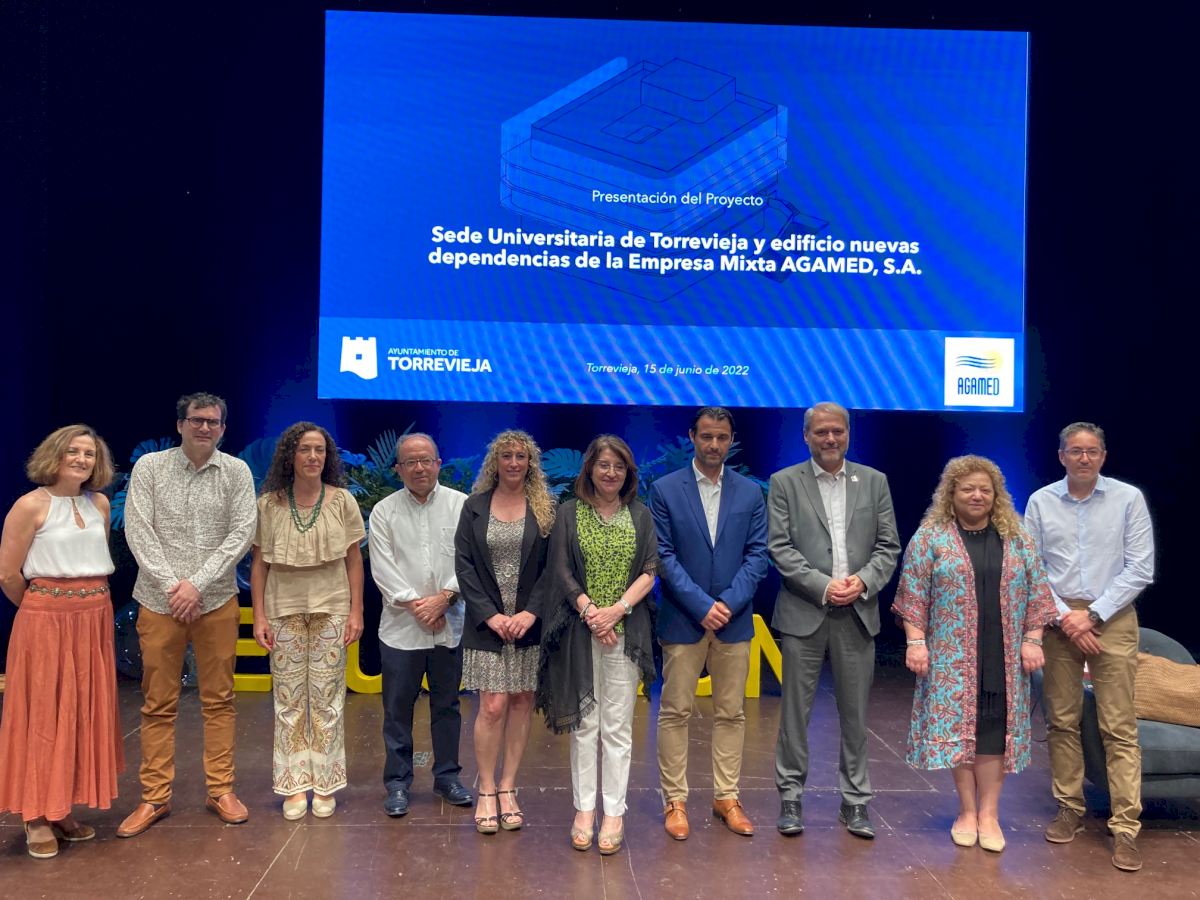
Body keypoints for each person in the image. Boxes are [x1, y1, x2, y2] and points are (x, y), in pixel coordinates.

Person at [893, 455, 1057, 852]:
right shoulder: (930, 538)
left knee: (994, 731)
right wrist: (916, 643)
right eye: (968, 489)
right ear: (951, 493)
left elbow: (1038, 593)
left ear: (996, 495)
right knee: (960, 732)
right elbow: (913, 594)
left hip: (1004, 655)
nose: (977, 496)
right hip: (952, 657)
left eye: (985, 489)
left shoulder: (1017, 539)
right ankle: (967, 811)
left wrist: (1033, 639)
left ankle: (990, 814)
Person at [118, 392, 257, 837]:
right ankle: (154, 797)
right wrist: (173, 586)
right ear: (180, 424)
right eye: (196, 420)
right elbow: (138, 531)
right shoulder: (151, 468)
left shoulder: (236, 471)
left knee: (220, 700)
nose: (204, 428)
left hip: (215, 601)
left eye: (213, 422)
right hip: (159, 602)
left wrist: (196, 584)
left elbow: (242, 532)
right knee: (158, 703)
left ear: (223, 429)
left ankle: (221, 790)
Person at [1024, 422, 1154, 872]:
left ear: (1103, 456)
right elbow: (1032, 567)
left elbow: (1140, 567)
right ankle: (1069, 808)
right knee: (1062, 721)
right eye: (1075, 451)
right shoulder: (1041, 501)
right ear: (1061, 456)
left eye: (1092, 451)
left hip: (1112, 617)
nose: (1084, 458)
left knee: (1118, 725)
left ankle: (1125, 827)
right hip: (1059, 620)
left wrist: (1093, 615)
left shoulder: (1128, 499)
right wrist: (1067, 617)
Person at [767, 401, 900, 838]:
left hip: (857, 613)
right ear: (806, 436)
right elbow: (780, 548)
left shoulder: (874, 481)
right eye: (821, 431)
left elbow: (888, 547)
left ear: (848, 434)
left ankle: (855, 802)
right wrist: (824, 585)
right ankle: (790, 797)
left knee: (855, 715)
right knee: (794, 714)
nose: (830, 438)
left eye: (837, 431)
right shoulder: (784, 482)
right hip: (804, 612)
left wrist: (862, 582)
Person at [0, 425, 123, 858]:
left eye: (89, 453)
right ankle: (35, 814)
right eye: (73, 451)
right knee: (44, 714)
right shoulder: (30, 505)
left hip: (93, 619)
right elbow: (8, 575)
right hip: (46, 621)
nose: (81, 459)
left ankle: (60, 807)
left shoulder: (99, 504)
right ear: (55, 454)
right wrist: (43, 609)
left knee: (80, 712)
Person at [648, 407, 769, 839]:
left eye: (721, 437)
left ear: (731, 440)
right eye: (706, 436)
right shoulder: (665, 489)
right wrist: (702, 605)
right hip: (684, 618)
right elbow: (663, 556)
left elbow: (758, 555)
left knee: (731, 713)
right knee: (675, 712)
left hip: (734, 621)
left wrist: (728, 603)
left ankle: (726, 798)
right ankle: (675, 801)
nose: (714, 444)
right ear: (692, 437)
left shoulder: (750, 493)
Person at [536, 435, 657, 856]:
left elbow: (650, 570)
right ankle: (584, 810)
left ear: (628, 473)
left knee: (618, 729)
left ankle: (614, 813)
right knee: (585, 726)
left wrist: (617, 611)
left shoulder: (640, 515)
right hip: (580, 630)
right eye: (604, 464)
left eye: (619, 466)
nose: (611, 472)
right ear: (590, 468)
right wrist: (592, 613)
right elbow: (561, 570)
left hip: (626, 631)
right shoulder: (570, 513)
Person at [250, 423, 365, 820]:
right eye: (304, 449)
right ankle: (294, 784)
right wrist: (259, 616)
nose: (313, 456)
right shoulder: (269, 504)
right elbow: (259, 565)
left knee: (328, 699)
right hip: (282, 610)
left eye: (319, 450)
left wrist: (356, 611)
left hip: (332, 608)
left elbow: (354, 560)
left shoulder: (342, 500)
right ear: (290, 455)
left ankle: (326, 782)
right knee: (289, 701)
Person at [454, 430, 555, 834]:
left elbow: (553, 568)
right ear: (495, 462)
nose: (514, 463)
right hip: (488, 626)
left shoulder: (545, 508)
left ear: (530, 463)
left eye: (521, 456)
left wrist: (531, 612)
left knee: (521, 702)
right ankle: (486, 789)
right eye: (506, 456)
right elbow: (464, 565)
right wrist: (490, 615)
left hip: (529, 623)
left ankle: (509, 787)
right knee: (493, 705)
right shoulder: (474, 507)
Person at [369, 432, 472, 816]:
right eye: (410, 462)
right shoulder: (384, 512)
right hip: (401, 629)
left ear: (438, 463)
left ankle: (447, 777)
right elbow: (383, 567)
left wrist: (445, 598)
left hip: (450, 623)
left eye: (426, 460)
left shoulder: (461, 506)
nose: (419, 468)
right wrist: (419, 606)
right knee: (397, 710)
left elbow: (470, 561)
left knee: (447, 706)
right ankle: (397, 783)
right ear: (398, 469)